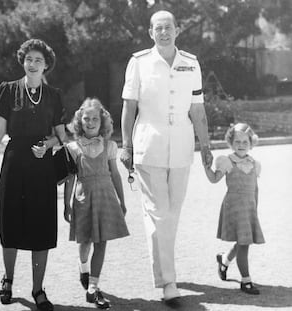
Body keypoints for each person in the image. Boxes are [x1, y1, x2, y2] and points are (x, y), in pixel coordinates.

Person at [120, 10, 213, 303]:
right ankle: (168, 283)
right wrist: (126, 146)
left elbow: (197, 110)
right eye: (158, 28)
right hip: (149, 147)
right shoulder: (139, 63)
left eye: (168, 27)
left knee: (170, 215)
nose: (164, 32)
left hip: (182, 149)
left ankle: (164, 270)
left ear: (177, 29)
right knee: (160, 215)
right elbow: (129, 108)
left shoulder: (191, 63)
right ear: (150, 32)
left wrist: (207, 146)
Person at [0, 39, 65, 311]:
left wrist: (49, 145)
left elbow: (62, 136)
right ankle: (8, 279)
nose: (33, 63)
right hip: (14, 162)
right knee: (11, 221)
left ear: (46, 65)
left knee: (41, 224)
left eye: (38, 60)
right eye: (29, 58)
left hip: (42, 166)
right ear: (23, 61)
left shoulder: (54, 95)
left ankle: (38, 289)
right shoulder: (7, 90)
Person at [64, 98, 129, 309]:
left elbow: (116, 175)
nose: (90, 122)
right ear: (79, 121)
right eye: (86, 119)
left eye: (95, 119)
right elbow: (70, 178)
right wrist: (66, 205)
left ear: (102, 123)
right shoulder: (73, 147)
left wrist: (122, 200)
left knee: (102, 241)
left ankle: (93, 287)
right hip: (84, 198)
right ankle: (83, 266)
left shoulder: (110, 146)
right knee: (85, 242)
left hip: (106, 197)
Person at [204, 123, 264, 295]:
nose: (241, 145)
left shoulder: (255, 164)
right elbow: (215, 179)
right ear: (231, 142)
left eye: (245, 142)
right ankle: (246, 281)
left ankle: (224, 260)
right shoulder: (227, 161)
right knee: (244, 243)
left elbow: (255, 189)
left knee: (243, 241)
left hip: (249, 209)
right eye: (237, 141)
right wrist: (207, 168)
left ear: (251, 143)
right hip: (234, 208)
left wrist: (255, 210)